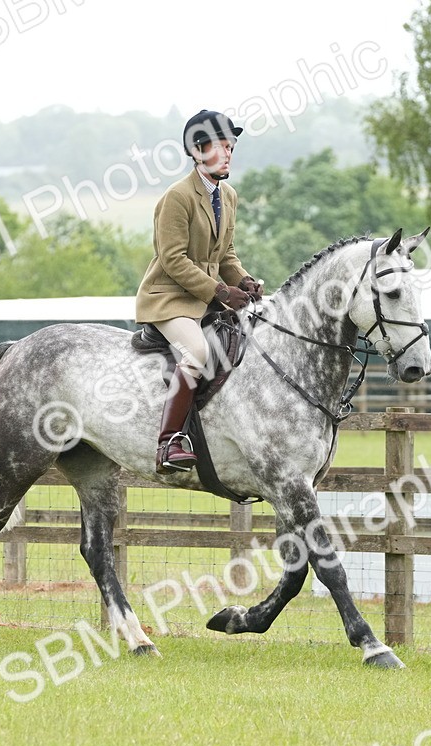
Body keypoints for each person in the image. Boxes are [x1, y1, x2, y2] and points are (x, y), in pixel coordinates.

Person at [134, 109, 262, 474]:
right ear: (198, 151)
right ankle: (169, 442)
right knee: (197, 352)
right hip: (169, 299)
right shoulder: (177, 197)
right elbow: (172, 259)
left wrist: (244, 281)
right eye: (220, 148)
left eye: (230, 148)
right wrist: (221, 292)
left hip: (205, 299)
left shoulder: (229, 195)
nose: (227, 155)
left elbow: (227, 255)